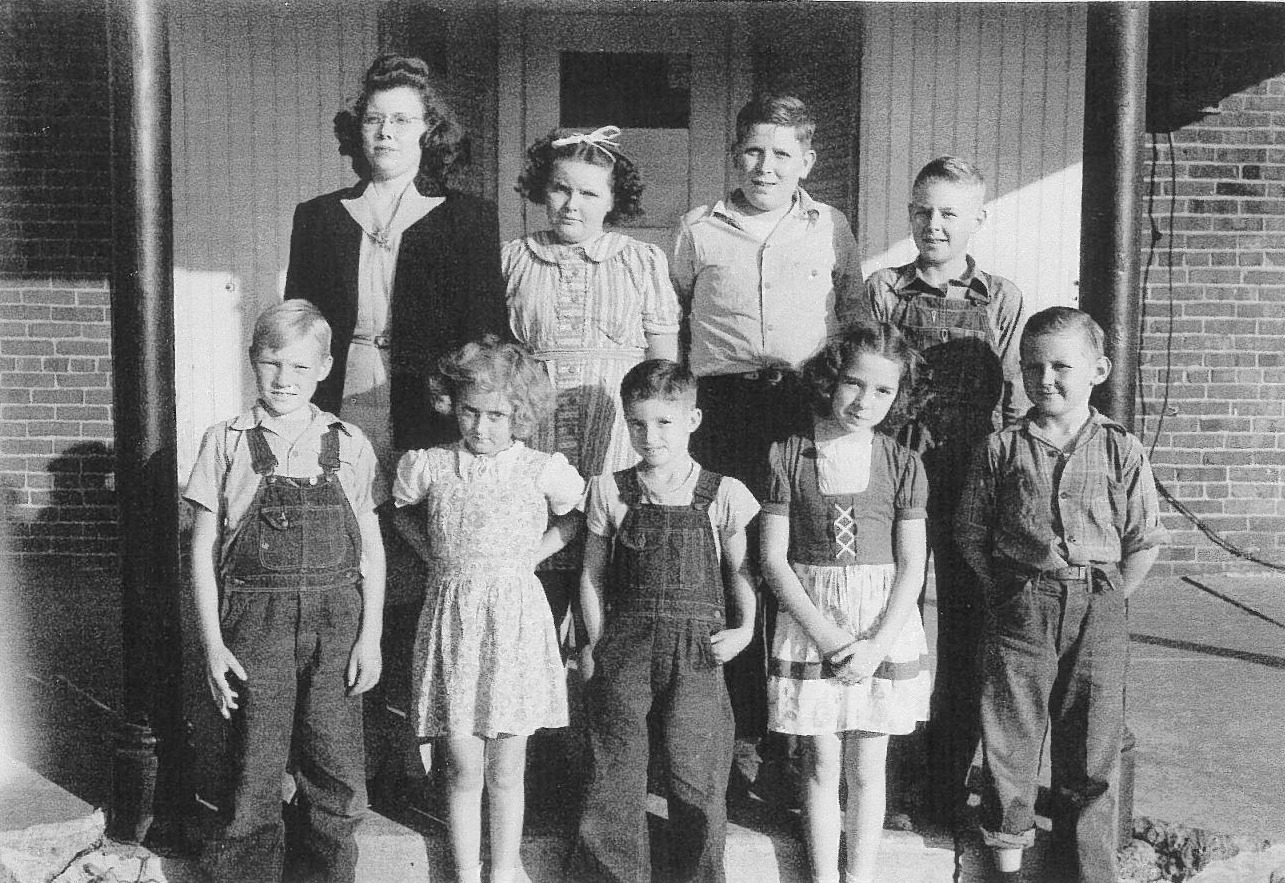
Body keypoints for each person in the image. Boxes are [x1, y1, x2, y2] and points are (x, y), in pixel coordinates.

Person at [284, 53, 506, 804]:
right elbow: (298, 327)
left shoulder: (466, 217)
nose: (385, 131)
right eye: (374, 118)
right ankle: (346, 752)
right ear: (357, 130)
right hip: (340, 414)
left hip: (425, 418)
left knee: (419, 573)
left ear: (427, 132)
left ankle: (418, 757)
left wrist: (469, 424)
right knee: (343, 573)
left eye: (402, 119)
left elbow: (486, 335)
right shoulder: (318, 217)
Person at [671, 92, 865, 755]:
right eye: (753, 150)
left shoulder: (830, 225)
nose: (765, 166)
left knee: (797, 557)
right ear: (734, 154)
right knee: (732, 558)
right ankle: (736, 734)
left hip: (798, 404)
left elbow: (855, 322)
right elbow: (673, 323)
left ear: (805, 160)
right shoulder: (697, 226)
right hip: (721, 409)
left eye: (782, 153)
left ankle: (796, 733)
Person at [954, 307, 1166, 883]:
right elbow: (972, 534)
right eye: (1032, 366)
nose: (1045, 379)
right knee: (1010, 739)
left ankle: (1086, 872)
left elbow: (1144, 537)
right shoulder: (1001, 449)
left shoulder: (1122, 449)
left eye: (1061, 366)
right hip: (1021, 607)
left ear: (1098, 370)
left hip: (1097, 605)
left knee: (1092, 747)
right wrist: (1005, 587)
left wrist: (1113, 594)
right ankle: (1006, 868)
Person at [185, 300, 386, 883]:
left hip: (336, 621)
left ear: (324, 368)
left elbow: (372, 551)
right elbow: (202, 549)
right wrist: (213, 644)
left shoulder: (349, 443)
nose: (284, 379)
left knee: (336, 770)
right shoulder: (225, 441)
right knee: (253, 767)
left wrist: (369, 638)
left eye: (300, 367)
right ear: (253, 362)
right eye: (272, 363)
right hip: (254, 622)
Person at [864, 156, 1027, 823]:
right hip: (896, 476)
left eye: (949, 212)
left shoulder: (1001, 297)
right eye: (922, 210)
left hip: (971, 483)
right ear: (909, 212)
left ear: (976, 220)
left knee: (964, 633)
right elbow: (862, 379)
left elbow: (1015, 400)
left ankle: (942, 785)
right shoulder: (883, 290)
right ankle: (884, 782)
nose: (933, 224)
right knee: (888, 623)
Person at [391, 336, 585, 883]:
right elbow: (399, 512)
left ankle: (503, 868)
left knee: (507, 768)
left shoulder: (540, 467)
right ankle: (464, 870)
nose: (482, 427)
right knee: (460, 763)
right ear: (452, 404)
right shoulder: (431, 465)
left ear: (519, 413)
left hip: (514, 623)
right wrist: (433, 555)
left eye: (497, 415)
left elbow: (575, 517)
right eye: (471, 412)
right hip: (453, 621)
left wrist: (534, 552)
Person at [571, 359, 758, 883]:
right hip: (626, 647)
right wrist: (599, 645)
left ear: (693, 420)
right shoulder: (610, 488)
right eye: (637, 424)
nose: (649, 437)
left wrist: (743, 631)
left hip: (698, 650)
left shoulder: (722, 492)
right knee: (616, 772)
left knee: (695, 775)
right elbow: (591, 576)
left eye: (663, 423)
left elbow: (743, 573)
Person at [760, 323, 931, 883]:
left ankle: (858, 876)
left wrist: (876, 647)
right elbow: (774, 561)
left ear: (899, 395)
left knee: (868, 766)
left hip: (882, 629)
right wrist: (829, 638)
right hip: (813, 626)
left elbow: (912, 567)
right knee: (820, 763)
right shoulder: (788, 455)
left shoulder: (903, 464)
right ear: (831, 379)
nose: (865, 401)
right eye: (854, 384)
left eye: (883, 391)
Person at [505, 125, 681, 637]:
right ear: (543, 190)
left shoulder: (641, 261)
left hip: (617, 436)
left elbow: (661, 375)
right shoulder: (514, 259)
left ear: (612, 201)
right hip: (536, 431)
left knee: (612, 568)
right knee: (538, 578)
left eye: (589, 193)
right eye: (561, 188)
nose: (571, 204)